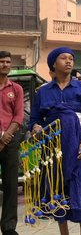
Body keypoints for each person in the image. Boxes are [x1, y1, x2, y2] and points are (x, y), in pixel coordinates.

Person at [29, 48, 81, 235]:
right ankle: (64, 232)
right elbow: (34, 119)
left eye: (71, 58)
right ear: (53, 64)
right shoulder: (43, 92)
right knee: (58, 186)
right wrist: (35, 127)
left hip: (79, 143)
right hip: (54, 146)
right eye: (63, 58)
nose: (69, 61)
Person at [0, 51, 23, 235]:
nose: (5, 65)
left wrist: (6, 136)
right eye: (1, 62)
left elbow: (19, 115)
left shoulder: (16, 89)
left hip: (11, 140)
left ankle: (8, 228)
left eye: (8, 62)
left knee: (10, 185)